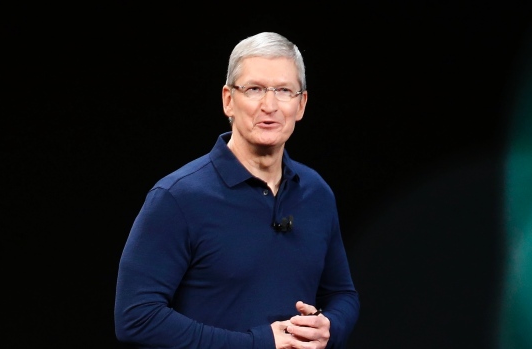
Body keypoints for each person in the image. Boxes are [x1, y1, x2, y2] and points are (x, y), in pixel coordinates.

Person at [114, 31, 360, 349]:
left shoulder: (316, 193)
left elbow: (342, 294)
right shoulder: (178, 198)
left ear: (301, 105)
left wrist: (329, 327)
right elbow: (137, 319)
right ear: (228, 100)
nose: (269, 105)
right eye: (254, 89)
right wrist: (259, 342)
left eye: (284, 90)